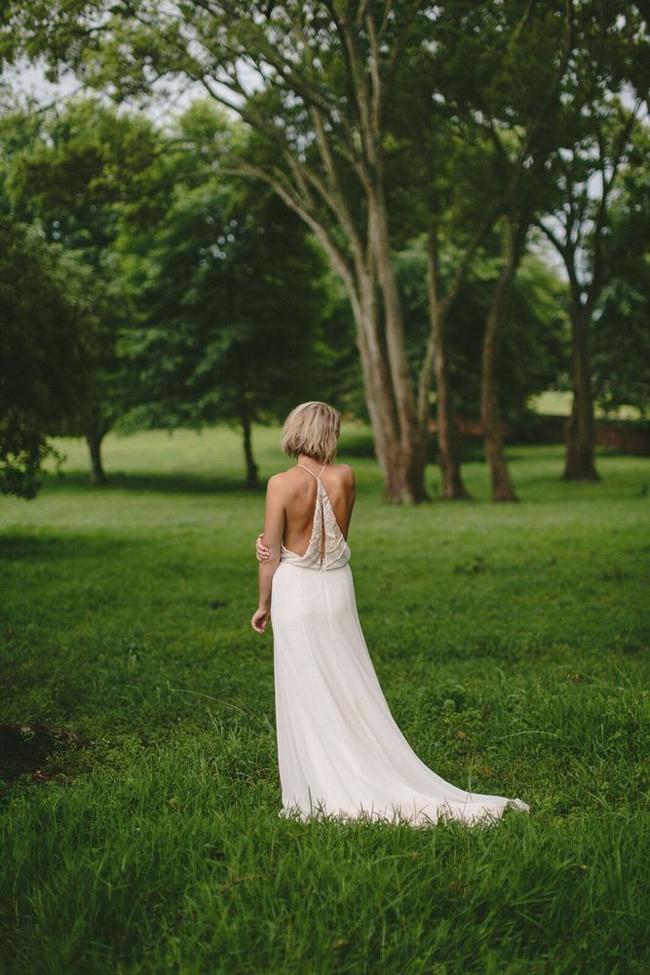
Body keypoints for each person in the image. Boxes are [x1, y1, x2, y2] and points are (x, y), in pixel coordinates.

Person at [250, 400, 529, 827]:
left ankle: (321, 787)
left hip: (298, 593)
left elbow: (271, 555)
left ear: (296, 431)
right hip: (338, 588)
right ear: (331, 434)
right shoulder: (345, 477)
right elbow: (336, 539)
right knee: (346, 681)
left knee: (307, 689)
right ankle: (360, 763)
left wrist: (263, 603)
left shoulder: (281, 483)